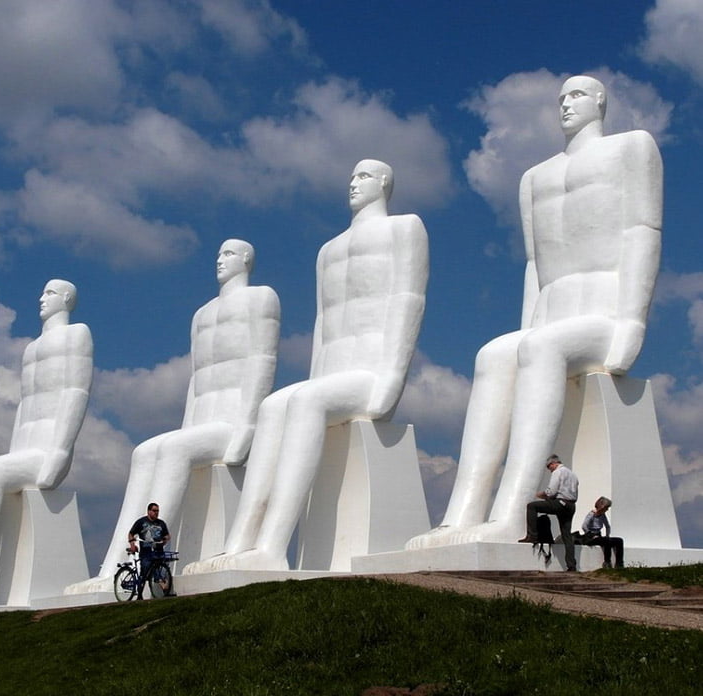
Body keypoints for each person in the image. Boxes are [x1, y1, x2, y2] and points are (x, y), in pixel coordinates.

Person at [407, 75, 662, 549]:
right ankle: (461, 512)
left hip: (602, 315)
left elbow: (642, 233)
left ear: (602, 102)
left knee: (540, 347)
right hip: (552, 316)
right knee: (493, 355)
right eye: (561, 97)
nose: (567, 104)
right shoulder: (533, 178)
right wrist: (526, 332)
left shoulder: (632, 148)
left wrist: (632, 321)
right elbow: (534, 266)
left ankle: (514, 512)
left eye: (578, 95)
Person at [187, 159, 429, 573]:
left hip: (369, 372)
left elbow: (408, 299)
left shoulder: (404, 228)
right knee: (272, 407)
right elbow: (323, 324)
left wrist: (392, 376)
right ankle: (242, 541)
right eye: (351, 175)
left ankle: (273, 545)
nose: (354, 182)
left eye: (365, 175)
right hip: (332, 374)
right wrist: (315, 379)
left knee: (302, 403)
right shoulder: (327, 251)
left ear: (386, 183)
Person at [66, 239, 280, 594]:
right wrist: (185, 428)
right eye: (218, 252)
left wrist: (247, 429)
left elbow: (263, 361)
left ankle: (148, 562)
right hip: (200, 423)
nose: (220, 259)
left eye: (228, 253)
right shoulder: (201, 315)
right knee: (145, 452)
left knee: (174, 450)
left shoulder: (261, 298)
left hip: (229, 424)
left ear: (246, 260)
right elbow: (197, 381)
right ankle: (114, 568)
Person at [0, 279, 93, 587]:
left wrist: (60, 452)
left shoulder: (77, 334)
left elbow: (76, 391)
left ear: (66, 298)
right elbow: (24, 405)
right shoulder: (31, 348)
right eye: (42, 291)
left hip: (46, 451)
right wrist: (11, 454)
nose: (41, 298)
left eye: (49, 292)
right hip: (23, 450)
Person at [519, 454, 578, 571]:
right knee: (567, 535)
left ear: (554, 463)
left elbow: (551, 492)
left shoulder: (557, 472)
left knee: (532, 506)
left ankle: (532, 536)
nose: (549, 469)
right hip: (571, 505)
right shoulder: (573, 475)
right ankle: (571, 566)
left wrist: (539, 495)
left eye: (548, 466)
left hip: (560, 503)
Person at [129, 502, 171, 592]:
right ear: (148, 511)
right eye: (154, 511)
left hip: (158, 551)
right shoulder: (141, 522)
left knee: (160, 567)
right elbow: (131, 533)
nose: (156, 513)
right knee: (145, 572)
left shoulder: (161, 523)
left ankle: (162, 584)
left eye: (157, 511)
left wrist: (164, 540)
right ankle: (140, 592)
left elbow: (167, 535)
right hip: (146, 552)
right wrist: (132, 544)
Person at [581, 496, 624, 568]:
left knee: (619, 540)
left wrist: (607, 535)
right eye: (606, 508)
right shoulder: (592, 514)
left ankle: (619, 563)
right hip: (590, 538)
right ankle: (607, 562)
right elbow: (584, 526)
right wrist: (591, 535)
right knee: (606, 541)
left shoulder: (602, 515)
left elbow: (607, 526)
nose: (607, 509)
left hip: (599, 536)